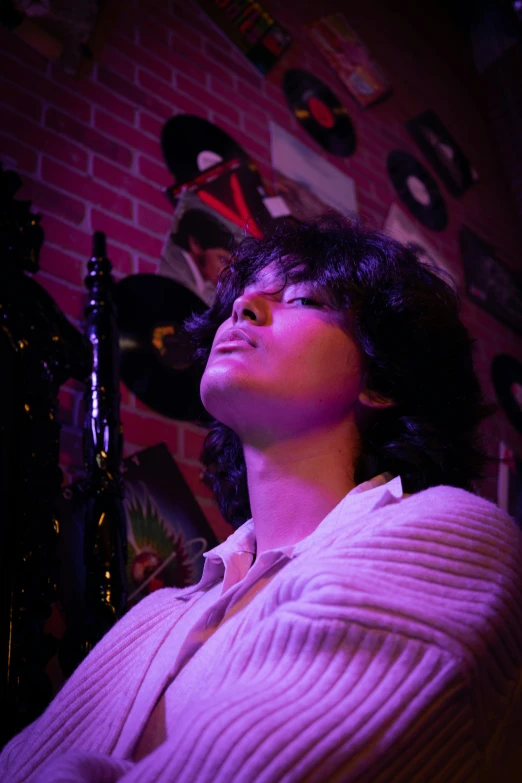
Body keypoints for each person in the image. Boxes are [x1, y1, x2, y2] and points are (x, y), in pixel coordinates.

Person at [2, 216, 522, 782]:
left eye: (301, 297)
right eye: (241, 297)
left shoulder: (453, 535)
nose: (244, 304)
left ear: (382, 380)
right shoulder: (153, 616)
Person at [161, 207, 233, 306]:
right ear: (195, 245)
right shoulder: (172, 272)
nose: (229, 272)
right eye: (223, 260)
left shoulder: (199, 285)